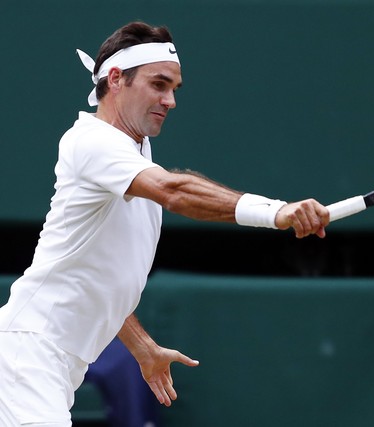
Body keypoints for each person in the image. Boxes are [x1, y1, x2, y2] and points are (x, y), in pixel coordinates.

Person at [0, 21, 329, 427]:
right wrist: (274, 211)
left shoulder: (131, 156)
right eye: (159, 84)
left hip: (48, 361)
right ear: (116, 79)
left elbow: (99, 278)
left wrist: (142, 347)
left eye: (174, 88)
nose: (170, 100)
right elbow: (175, 190)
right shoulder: (92, 141)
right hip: (27, 355)